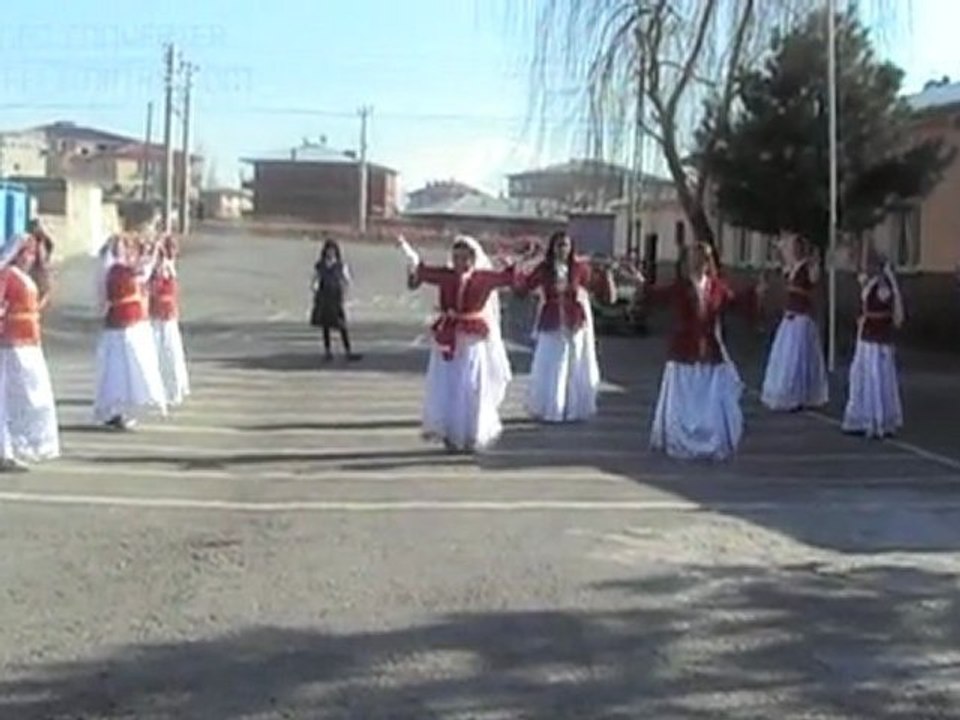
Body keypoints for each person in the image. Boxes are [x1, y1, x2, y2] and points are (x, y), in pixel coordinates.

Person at [643, 241, 764, 461]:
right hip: (684, 350)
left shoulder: (717, 287)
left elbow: (734, 303)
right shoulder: (680, 287)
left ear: (709, 263)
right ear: (688, 262)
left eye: (703, 258)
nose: (699, 263)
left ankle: (709, 437)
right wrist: (641, 285)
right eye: (695, 258)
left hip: (709, 349)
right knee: (683, 399)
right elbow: (657, 297)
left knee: (710, 399)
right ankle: (680, 439)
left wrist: (755, 293)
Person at [398, 234, 515, 453]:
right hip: (448, 336)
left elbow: (509, 280)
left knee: (470, 385)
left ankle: (471, 431)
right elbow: (421, 275)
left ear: (473, 258)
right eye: (457, 257)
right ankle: (450, 431)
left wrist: (509, 267)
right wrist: (413, 263)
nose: (460, 263)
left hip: (471, 339)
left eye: (465, 258)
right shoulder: (447, 276)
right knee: (448, 385)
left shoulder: (483, 278)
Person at [515, 231, 606, 423]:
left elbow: (597, 288)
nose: (562, 249)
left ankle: (572, 408)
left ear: (571, 247)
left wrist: (605, 274)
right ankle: (551, 407)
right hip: (551, 322)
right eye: (559, 245)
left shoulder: (580, 269)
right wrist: (517, 271)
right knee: (551, 363)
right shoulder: (544, 269)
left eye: (565, 245)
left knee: (574, 363)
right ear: (552, 248)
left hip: (575, 323)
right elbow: (524, 288)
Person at [93, 222, 167, 431]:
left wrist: (152, 251)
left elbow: (143, 272)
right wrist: (153, 249)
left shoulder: (119, 269)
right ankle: (117, 410)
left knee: (127, 370)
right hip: (122, 327)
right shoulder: (115, 270)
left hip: (130, 324)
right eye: (124, 247)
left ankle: (121, 409)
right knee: (121, 371)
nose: (127, 250)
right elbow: (140, 270)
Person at [0, 233, 60, 472]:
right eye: (27, 253)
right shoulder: (6, 275)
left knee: (31, 398)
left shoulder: (26, 278)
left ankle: (17, 446)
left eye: (33, 254)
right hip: (12, 346)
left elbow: (38, 302)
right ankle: (6, 449)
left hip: (29, 344)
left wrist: (44, 267)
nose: (30, 258)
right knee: (12, 399)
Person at [842, 243, 904, 438]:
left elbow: (893, 310)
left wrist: (891, 280)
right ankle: (864, 417)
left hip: (878, 339)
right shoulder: (869, 283)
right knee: (863, 377)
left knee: (877, 378)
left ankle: (878, 419)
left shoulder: (882, 285)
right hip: (866, 337)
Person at [760, 236, 829, 411]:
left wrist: (815, 260)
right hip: (790, 316)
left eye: (798, 248)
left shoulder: (806, 268)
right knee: (787, 355)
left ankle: (800, 392)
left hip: (802, 318)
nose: (795, 251)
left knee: (799, 356)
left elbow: (813, 279)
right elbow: (782, 263)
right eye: (794, 248)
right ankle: (787, 391)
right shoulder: (793, 268)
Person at [148, 234, 190, 407]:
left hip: (164, 315)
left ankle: (171, 389)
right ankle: (163, 389)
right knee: (161, 352)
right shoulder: (160, 268)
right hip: (158, 314)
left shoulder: (166, 269)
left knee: (167, 351)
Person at [311, 238, 360, 362]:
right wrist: (315, 290)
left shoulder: (341, 265)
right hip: (324, 298)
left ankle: (348, 351)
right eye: (328, 250)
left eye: (332, 250)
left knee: (342, 326)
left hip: (336, 298)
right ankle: (328, 352)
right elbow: (315, 280)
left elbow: (347, 280)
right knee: (325, 326)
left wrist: (345, 293)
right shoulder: (320, 265)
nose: (330, 252)